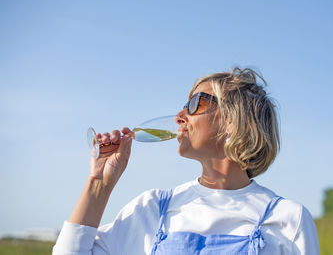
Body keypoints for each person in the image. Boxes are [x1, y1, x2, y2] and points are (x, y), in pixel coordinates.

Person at [53, 68, 319, 254]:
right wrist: (99, 184)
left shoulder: (287, 219)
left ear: (232, 120)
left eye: (195, 103)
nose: (179, 116)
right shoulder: (154, 208)